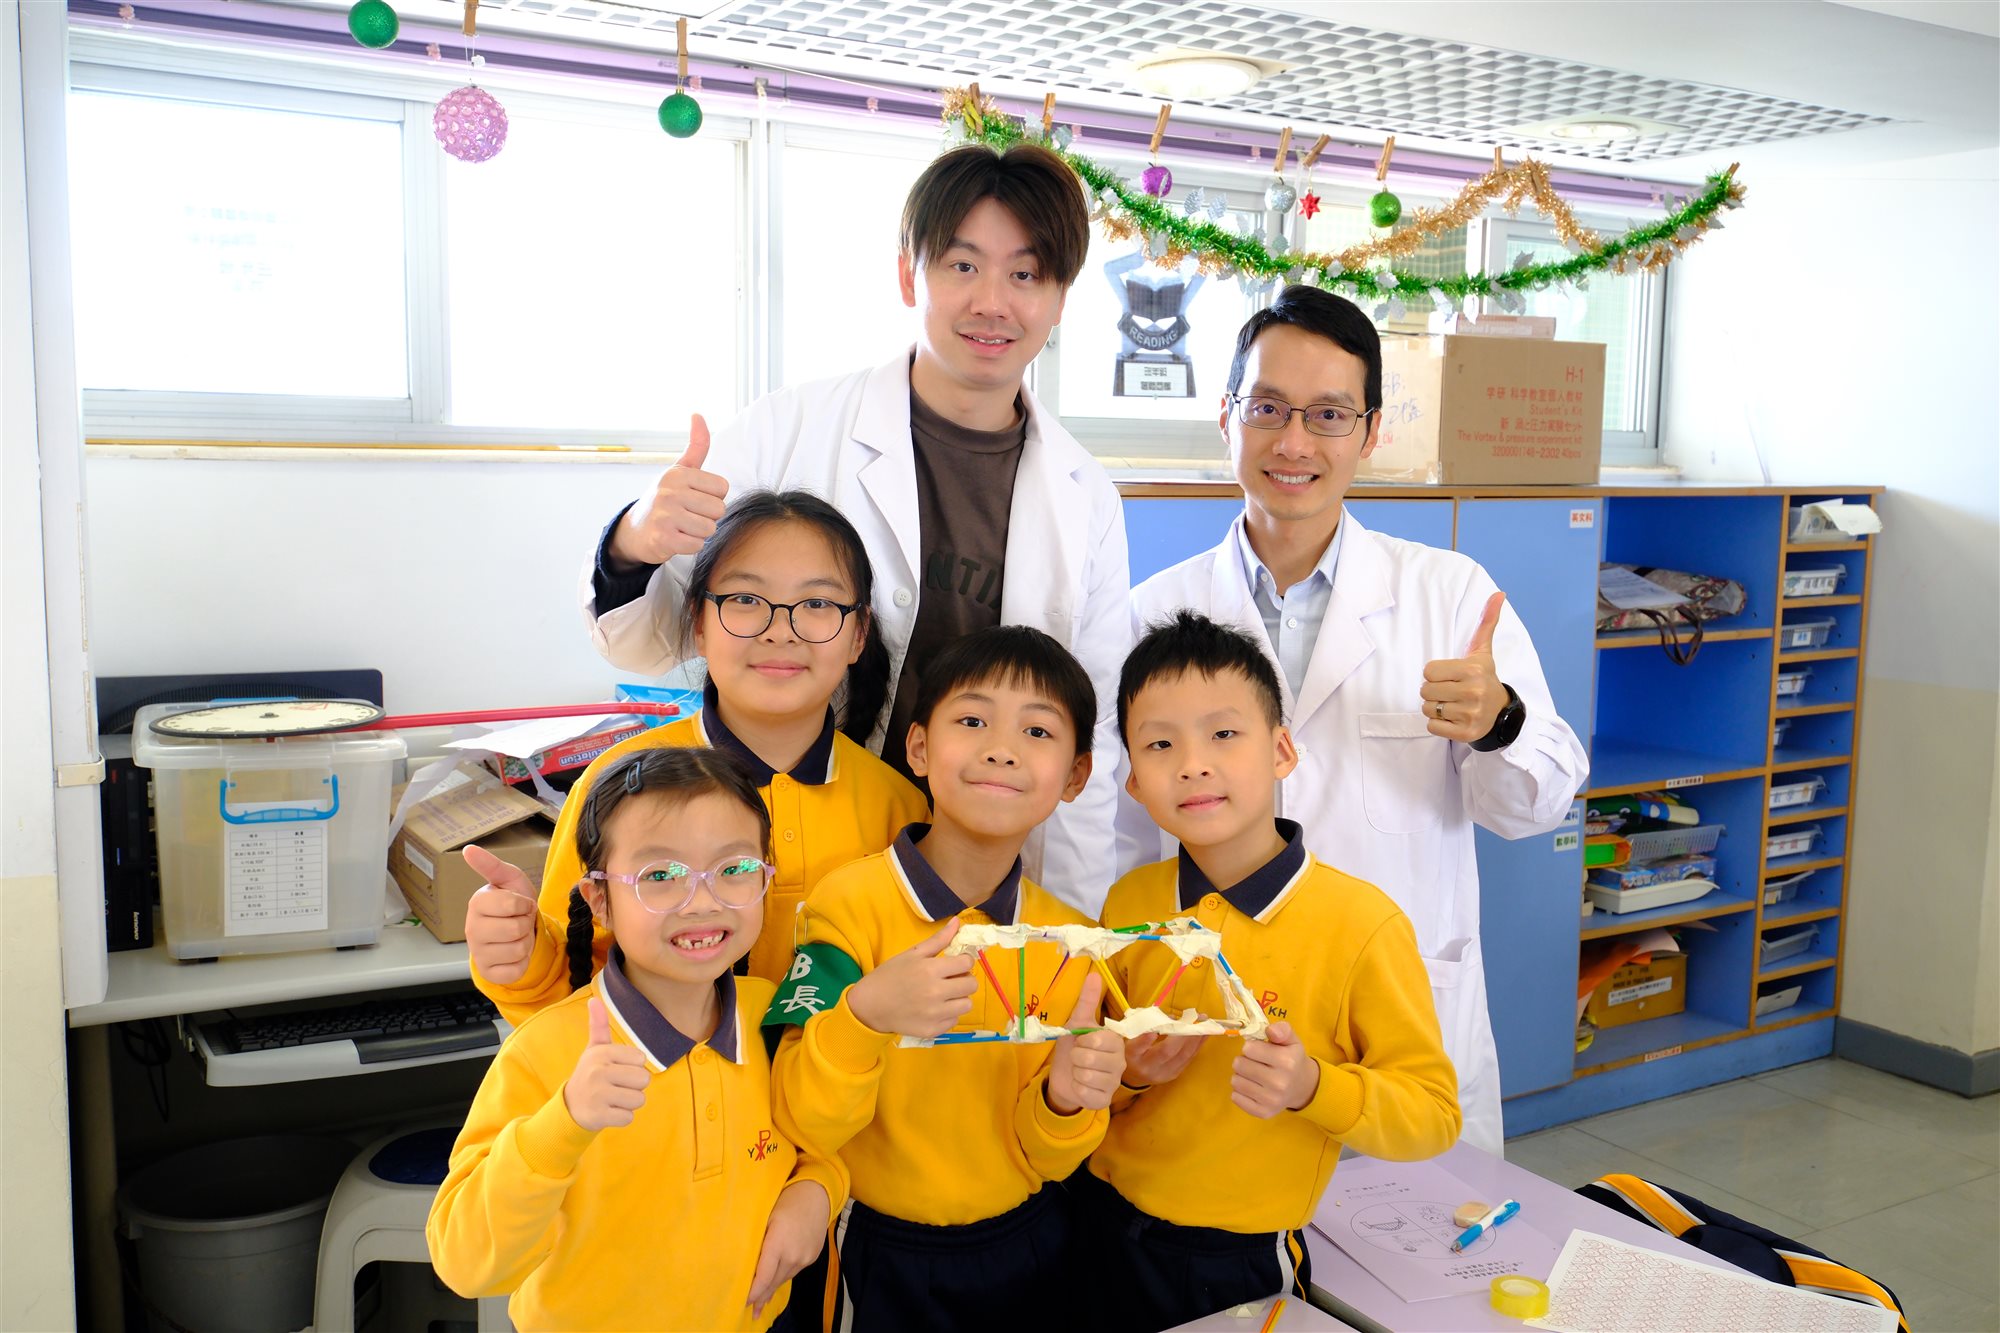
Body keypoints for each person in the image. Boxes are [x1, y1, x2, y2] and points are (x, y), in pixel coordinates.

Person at [582, 142, 1130, 915]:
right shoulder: (788, 428)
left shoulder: (1086, 496)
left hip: (976, 877)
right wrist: (635, 542)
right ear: (909, 274)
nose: (992, 302)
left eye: (1026, 274)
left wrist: (1070, 926)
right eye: (963, 265)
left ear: (1060, 298)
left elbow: (1087, 737)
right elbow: (653, 635)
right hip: (790, 843)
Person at [1121, 286, 1588, 1155]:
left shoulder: (1450, 595)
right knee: (1227, 1229)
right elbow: (1118, 834)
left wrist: (1499, 721)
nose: (1294, 442)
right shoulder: (1151, 614)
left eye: (1329, 415)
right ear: (1226, 417)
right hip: (1217, 1029)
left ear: (1370, 433)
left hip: (1397, 1024)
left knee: (1416, 1232)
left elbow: (1536, 806)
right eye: (1267, 408)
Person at [1080, 612, 1461, 1332]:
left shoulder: (1361, 923)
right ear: (1133, 781)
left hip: (1242, 1256)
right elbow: (1097, 1077)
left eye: (1224, 733)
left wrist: (1312, 1085)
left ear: (1282, 750)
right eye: (1160, 743)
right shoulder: (1128, 904)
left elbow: (1434, 1116)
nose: (1193, 763)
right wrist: (1130, 1073)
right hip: (1100, 1222)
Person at [763, 626, 1125, 1331]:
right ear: (920, 747)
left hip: (1029, 1242)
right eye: (973, 721)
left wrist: (1065, 1099)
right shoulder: (847, 906)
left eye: (1037, 731)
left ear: (1076, 776)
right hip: (874, 1247)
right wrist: (864, 1016)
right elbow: (801, 1117)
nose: (1002, 748)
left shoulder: (1072, 942)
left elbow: (1050, 1159)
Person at [466, 491, 929, 1022]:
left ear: (858, 635)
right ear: (700, 624)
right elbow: (565, 996)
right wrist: (519, 957)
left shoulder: (899, 808)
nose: (781, 630)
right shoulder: (619, 785)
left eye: (818, 605)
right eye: (746, 599)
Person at [427, 747, 844, 1331]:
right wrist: (564, 1123)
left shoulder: (771, 1015)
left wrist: (819, 1189)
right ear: (599, 900)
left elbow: (817, 1137)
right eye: (661, 876)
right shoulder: (547, 1052)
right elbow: (465, 1263)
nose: (703, 901)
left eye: (735, 868)